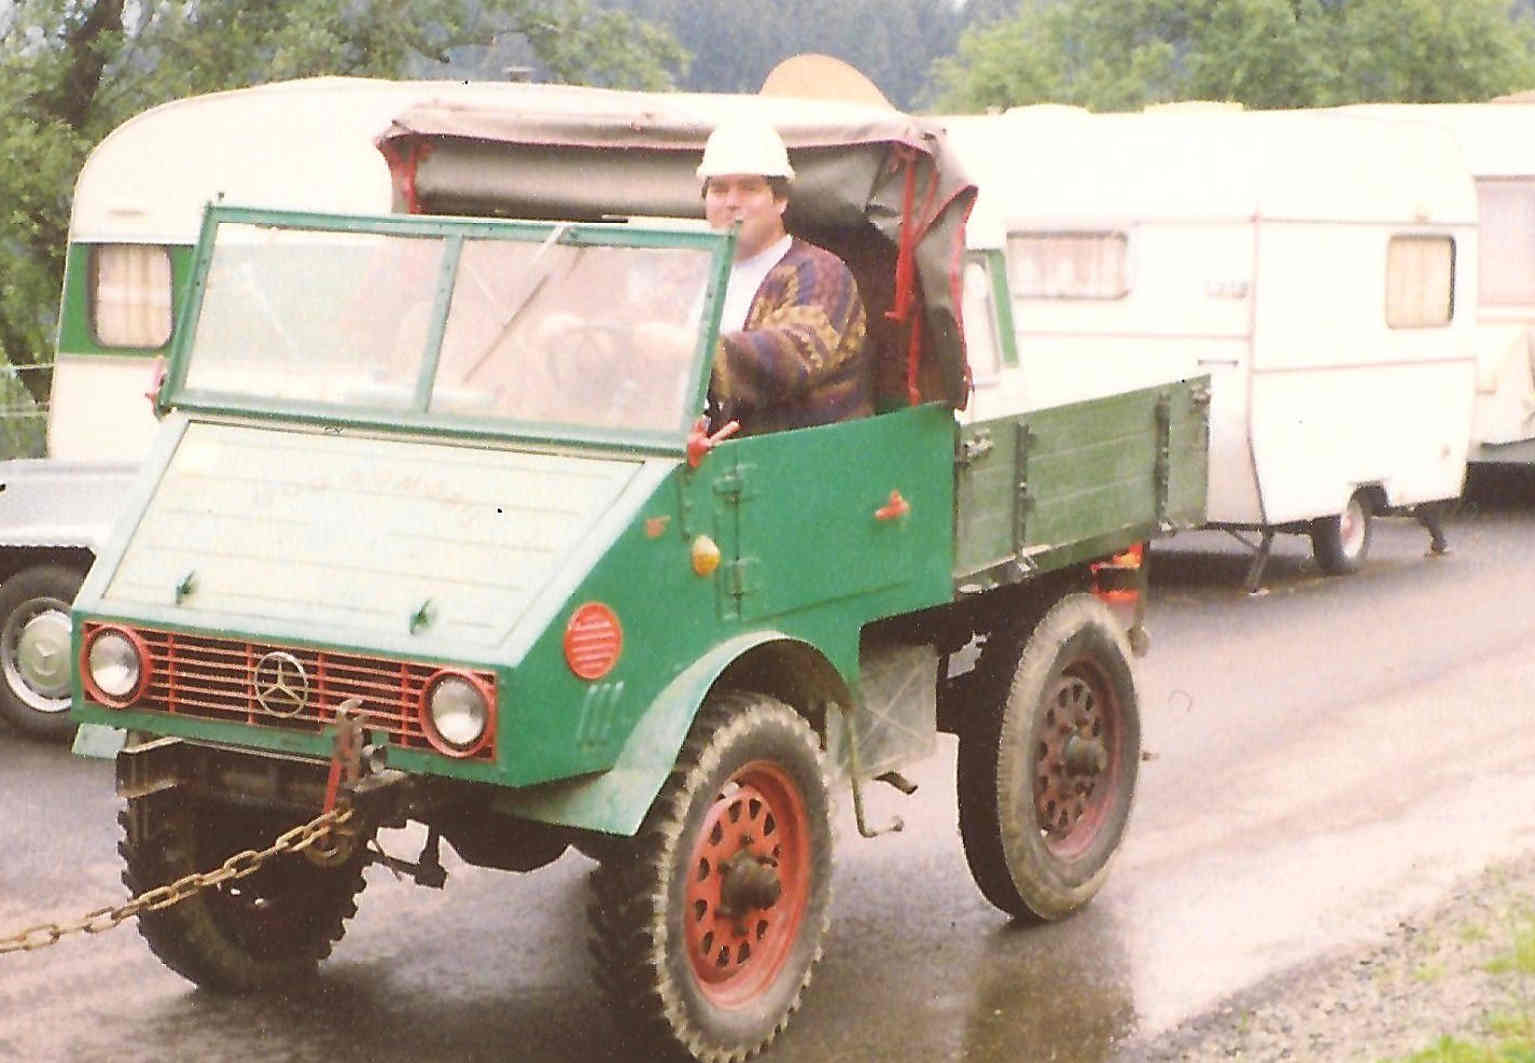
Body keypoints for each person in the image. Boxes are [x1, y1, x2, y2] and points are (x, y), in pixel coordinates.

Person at [698, 119, 872, 436]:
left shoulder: (821, 273)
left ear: (780, 200)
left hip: (804, 467)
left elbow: (790, 359)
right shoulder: (688, 273)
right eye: (718, 189)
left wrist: (685, 351)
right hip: (703, 456)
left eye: (748, 188)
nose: (731, 202)